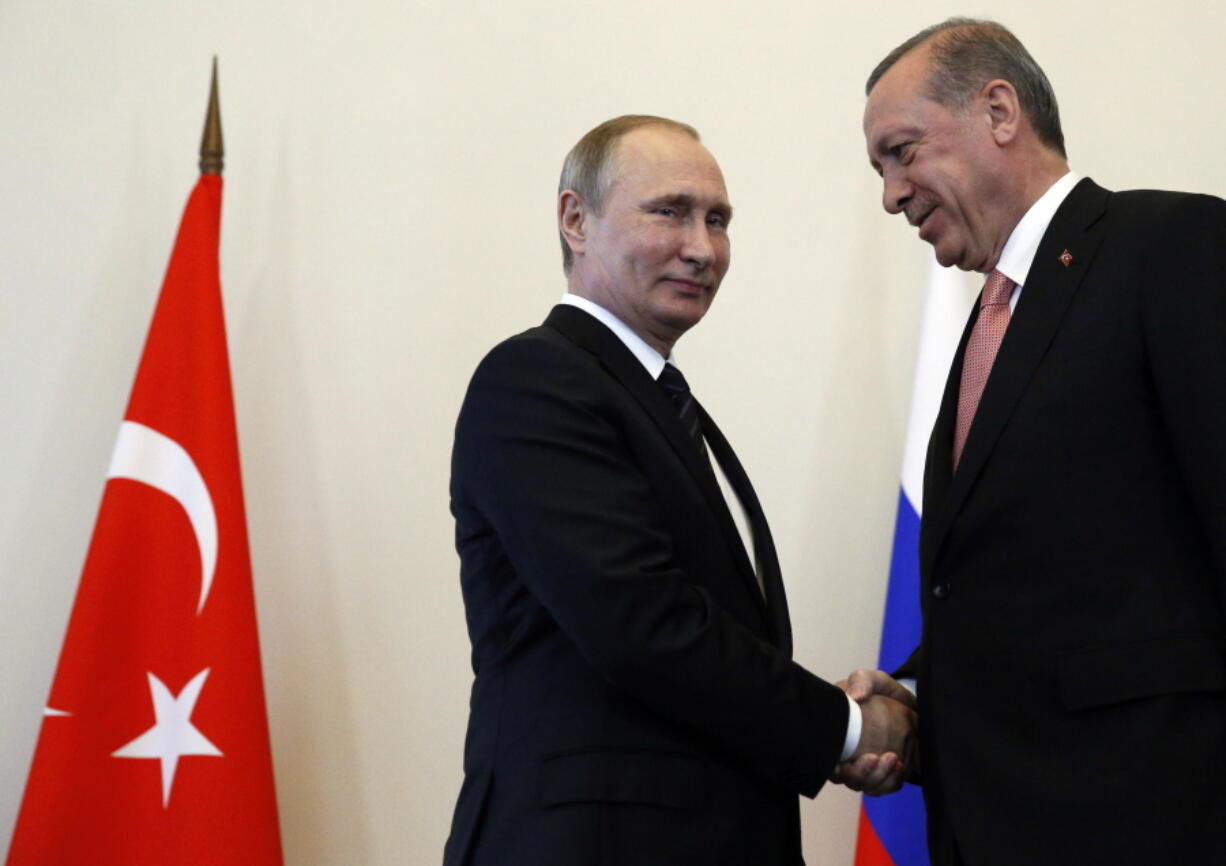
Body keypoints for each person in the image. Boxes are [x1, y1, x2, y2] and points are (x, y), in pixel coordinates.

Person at [442, 115, 914, 866]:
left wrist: (819, 713)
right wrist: (846, 728)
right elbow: (642, 624)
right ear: (575, 220)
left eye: (717, 220)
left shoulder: (654, 399)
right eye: (669, 211)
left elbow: (689, 639)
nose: (702, 247)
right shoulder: (536, 380)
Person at [846, 17, 1226, 865]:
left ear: (1000, 110)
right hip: (991, 822)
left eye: (902, 151)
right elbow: (1011, 576)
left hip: (1148, 817)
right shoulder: (986, 326)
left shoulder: (1171, 247)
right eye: (880, 167)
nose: (891, 193)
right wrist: (912, 691)